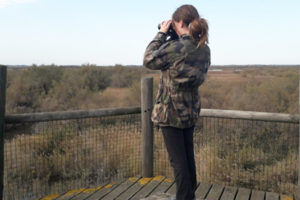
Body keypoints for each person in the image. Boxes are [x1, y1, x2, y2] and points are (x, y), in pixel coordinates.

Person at [143, 4, 211, 200]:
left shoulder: (175, 48)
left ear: (179, 22)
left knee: (178, 161)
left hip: (170, 113)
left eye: (174, 24)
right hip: (190, 111)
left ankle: (185, 197)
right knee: (188, 156)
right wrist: (174, 36)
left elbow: (148, 59)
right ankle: (190, 192)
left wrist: (161, 34)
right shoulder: (204, 49)